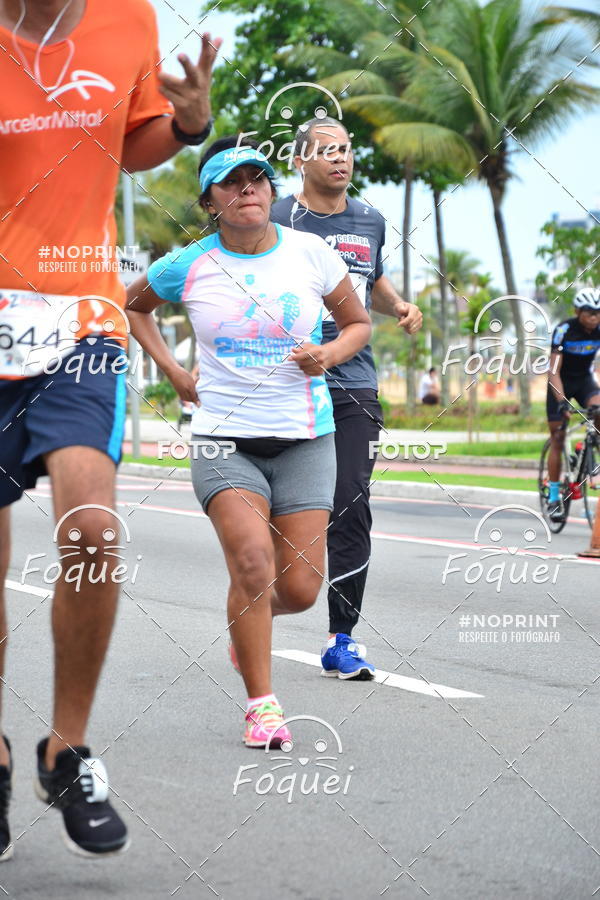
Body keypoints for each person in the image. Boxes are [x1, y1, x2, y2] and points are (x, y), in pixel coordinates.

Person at [0, 0, 220, 858]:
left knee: (92, 527)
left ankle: (67, 748)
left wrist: (188, 126)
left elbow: (131, 141)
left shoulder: (127, 18)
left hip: (80, 319)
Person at [126, 137, 372, 748]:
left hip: (306, 438)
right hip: (222, 441)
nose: (248, 192)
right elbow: (134, 307)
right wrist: (174, 372)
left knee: (300, 589)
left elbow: (358, 323)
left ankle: (247, 626)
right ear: (210, 200)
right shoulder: (188, 264)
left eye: (257, 181)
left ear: (270, 189)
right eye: (231, 184)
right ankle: (262, 708)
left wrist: (330, 354)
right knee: (253, 566)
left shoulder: (311, 253)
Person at [270, 117, 422, 680]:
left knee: (352, 505)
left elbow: (368, 282)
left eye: (346, 151)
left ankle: (342, 637)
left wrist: (400, 305)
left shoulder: (370, 219)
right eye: (327, 151)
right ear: (299, 160)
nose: (341, 160)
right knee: (284, 513)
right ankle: (259, 602)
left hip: (353, 383)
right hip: (282, 384)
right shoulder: (276, 217)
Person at [546, 287, 600, 522]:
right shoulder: (564, 330)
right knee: (558, 438)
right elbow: (553, 371)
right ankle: (555, 496)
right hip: (560, 383)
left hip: (584, 382)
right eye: (590, 312)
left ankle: (590, 449)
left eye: (598, 313)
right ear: (578, 311)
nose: (595, 317)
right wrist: (562, 402)